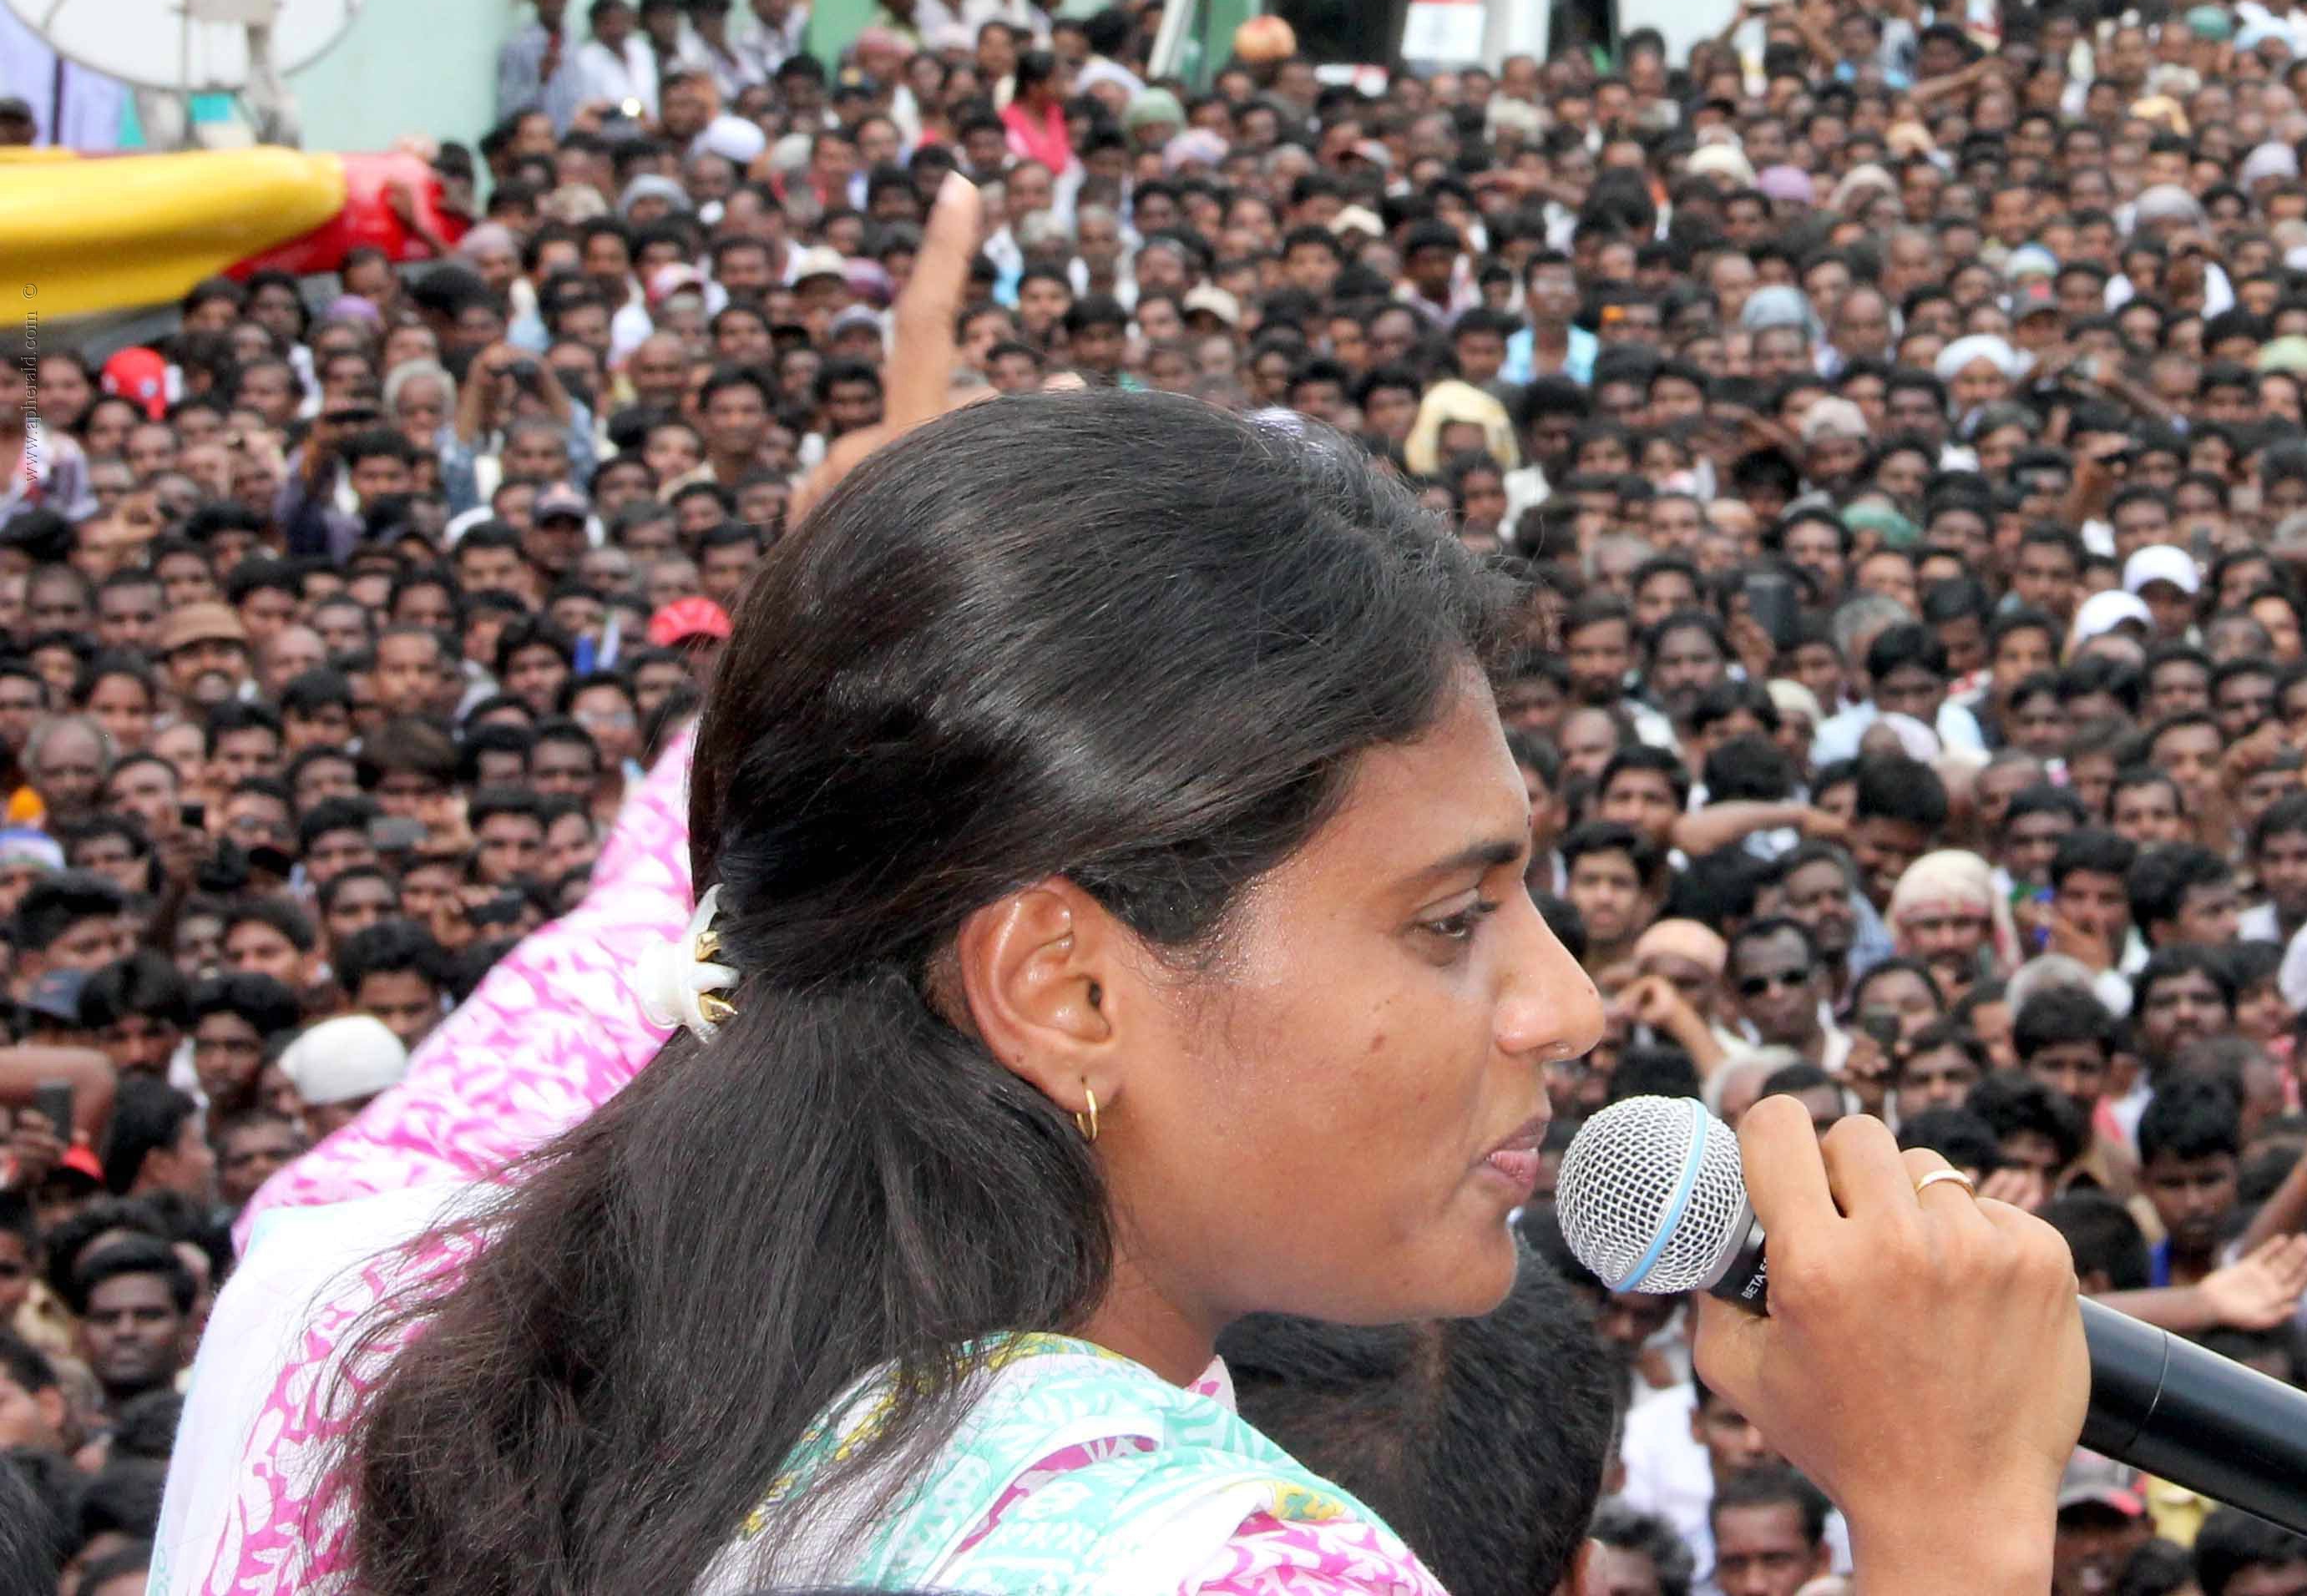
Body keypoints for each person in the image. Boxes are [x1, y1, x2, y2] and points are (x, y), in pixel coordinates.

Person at [250, 388, 2087, 1593]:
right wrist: (1950, 1531)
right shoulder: (1207, 1563)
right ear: (1063, 986)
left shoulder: (650, 1398)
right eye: (1450, 923)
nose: (1562, 1007)